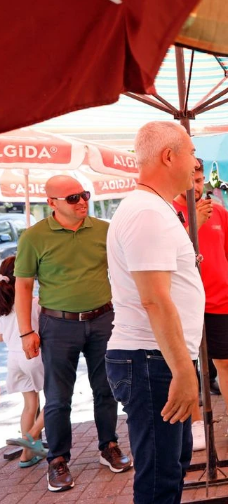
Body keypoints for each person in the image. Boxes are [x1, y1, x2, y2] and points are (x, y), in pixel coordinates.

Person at [106, 121, 205, 503]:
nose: (196, 164)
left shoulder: (154, 208)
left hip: (156, 357)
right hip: (150, 359)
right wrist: (182, 370)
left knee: (173, 464)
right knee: (159, 479)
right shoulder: (146, 212)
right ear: (169, 156)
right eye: (192, 154)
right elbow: (155, 300)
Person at [15, 174, 131, 492]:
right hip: (57, 324)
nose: (82, 202)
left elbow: (126, 270)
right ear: (51, 202)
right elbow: (23, 286)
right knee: (57, 399)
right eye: (72, 198)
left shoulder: (104, 230)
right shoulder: (33, 237)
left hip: (103, 319)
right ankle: (57, 460)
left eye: (84, 195)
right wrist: (26, 332)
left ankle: (109, 446)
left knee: (106, 388)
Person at [173, 161, 228, 454]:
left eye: (199, 180)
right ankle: (197, 422)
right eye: (191, 180)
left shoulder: (219, 211)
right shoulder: (168, 213)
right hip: (183, 304)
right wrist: (194, 223)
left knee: (226, 363)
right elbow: (169, 251)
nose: (197, 187)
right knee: (188, 365)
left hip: (219, 298)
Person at [0, 256, 48, 468]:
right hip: (33, 357)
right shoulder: (34, 303)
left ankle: (27, 456)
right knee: (57, 398)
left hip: (13, 359)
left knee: (30, 405)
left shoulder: (3, 308)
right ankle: (31, 438)